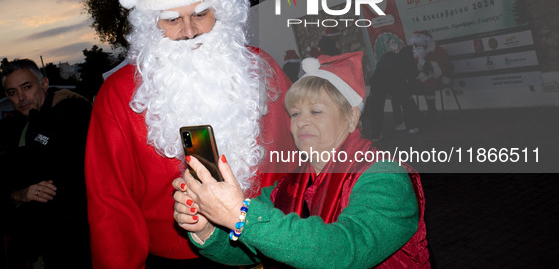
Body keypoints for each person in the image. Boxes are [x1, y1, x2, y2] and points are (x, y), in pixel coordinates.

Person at [84, 0, 295, 268]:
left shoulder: (261, 69)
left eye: (200, 13)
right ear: (150, 26)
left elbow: (307, 152)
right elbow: (110, 205)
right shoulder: (118, 95)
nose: (190, 31)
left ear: (220, 11)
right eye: (171, 19)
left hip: (274, 245)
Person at [173, 52, 431, 268]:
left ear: (352, 117)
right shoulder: (288, 186)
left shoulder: (384, 177)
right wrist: (206, 228)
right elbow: (249, 249)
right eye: (295, 113)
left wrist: (241, 216)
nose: (302, 122)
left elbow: (345, 251)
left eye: (316, 111)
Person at [0, 59, 92, 269]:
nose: (21, 98)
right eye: (12, 92)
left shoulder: (71, 112)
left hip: (84, 239)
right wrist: (17, 194)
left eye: (27, 87)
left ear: (44, 83)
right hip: (49, 245)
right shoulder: (19, 130)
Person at [363, 39, 421, 141]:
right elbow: (410, 76)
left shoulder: (387, 56)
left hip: (377, 82)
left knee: (377, 109)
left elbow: (377, 72)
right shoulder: (406, 59)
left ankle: (376, 135)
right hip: (394, 81)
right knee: (406, 102)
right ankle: (411, 127)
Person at [409, 30, 450, 117]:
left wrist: (426, 65)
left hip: (436, 76)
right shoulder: (414, 52)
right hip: (420, 76)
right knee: (406, 86)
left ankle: (432, 111)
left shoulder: (436, 50)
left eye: (418, 41)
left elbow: (442, 65)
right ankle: (415, 112)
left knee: (428, 83)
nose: (416, 45)